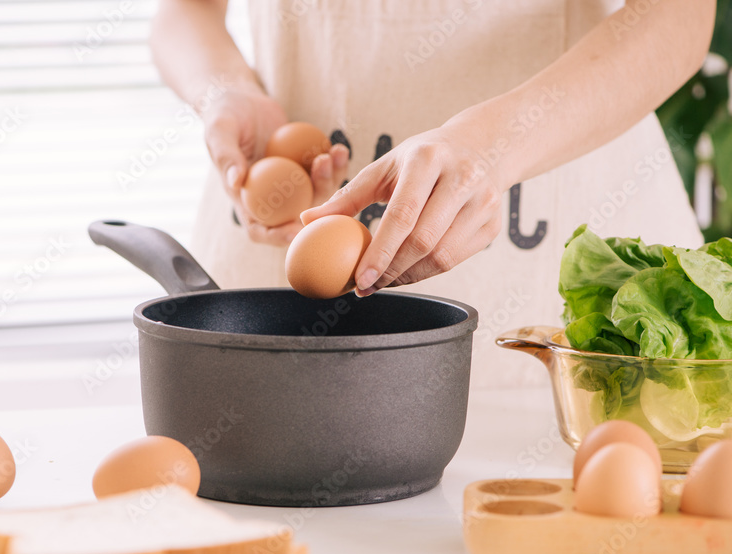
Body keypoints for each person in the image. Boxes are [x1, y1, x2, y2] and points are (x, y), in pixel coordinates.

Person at [150, 0, 716, 387]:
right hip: (288, 229)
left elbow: (680, 18)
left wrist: (494, 147)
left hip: (560, 235)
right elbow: (185, 10)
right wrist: (223, 92)